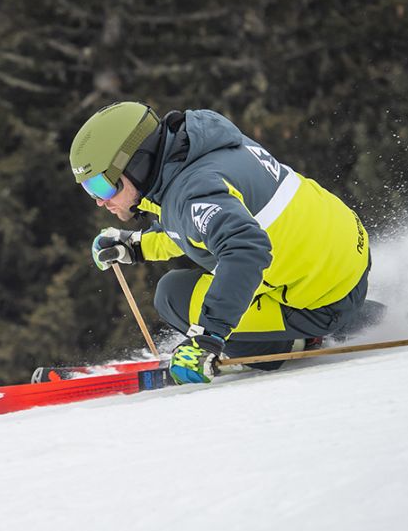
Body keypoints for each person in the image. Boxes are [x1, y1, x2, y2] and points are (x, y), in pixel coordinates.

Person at [69, 102, 372, 384]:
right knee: (197, 286)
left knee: (173, 296)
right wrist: (136, 246)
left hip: (320, 303)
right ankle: (353, 317)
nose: (99, 201)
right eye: (88, 189)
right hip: (346, 261)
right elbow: (196, 228)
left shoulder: (191, 192)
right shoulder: (200, 149)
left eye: (102, 185)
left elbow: (244, 250)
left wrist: (208, 338)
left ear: (136, 163)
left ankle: (295, 343)